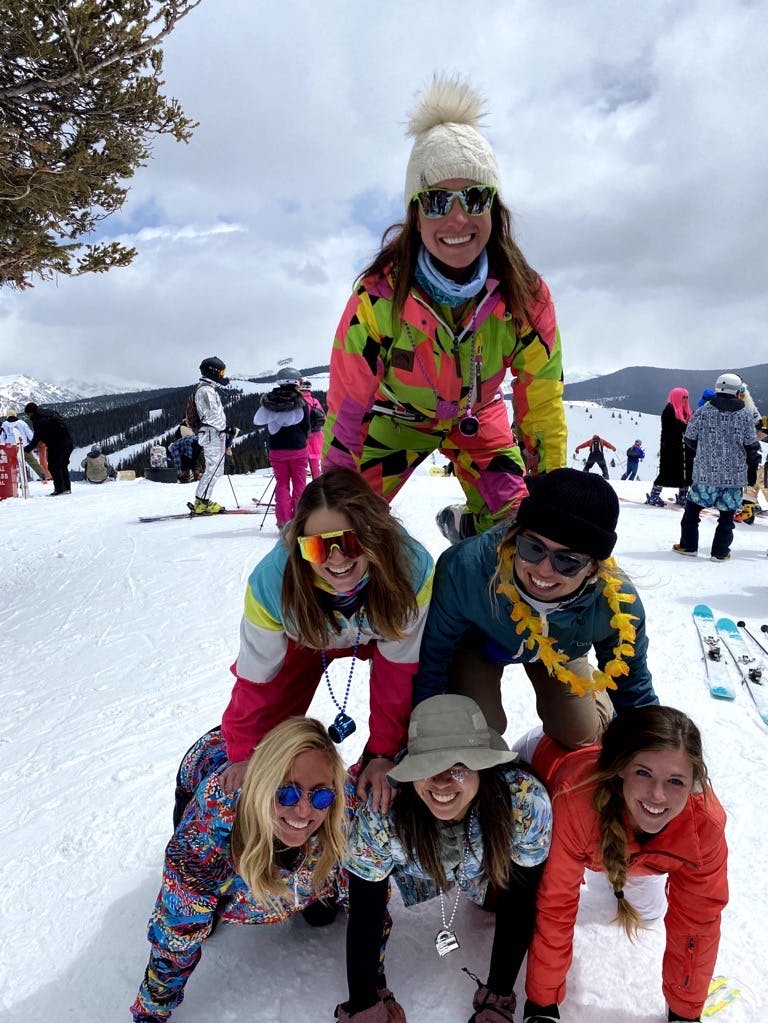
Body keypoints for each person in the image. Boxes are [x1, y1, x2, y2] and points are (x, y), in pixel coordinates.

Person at [322, 75, 567, 544]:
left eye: (474, 197)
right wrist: (330, 507)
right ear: (416, 214)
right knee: (347, 530)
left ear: (494, 208)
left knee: (523, 528)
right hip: (395, 422)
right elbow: (347, 411)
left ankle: (470, 526)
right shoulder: (377, 299)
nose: (457, 218)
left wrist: (551, 500)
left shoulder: (526, 298)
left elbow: (541, 405)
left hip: (478, 423)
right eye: (436, 201)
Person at [216, 467, 434, 811]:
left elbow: (398, 673)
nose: (337, 558)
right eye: (318, 548)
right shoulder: (272, 585)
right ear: (299, 546)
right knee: (275, 710)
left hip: (377, 628)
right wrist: (246, 754)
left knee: (416, 693)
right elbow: (258, 679)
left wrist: (383, 753)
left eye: (349, 541)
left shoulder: (410, 570)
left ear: (373, 532)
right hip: (307, 636)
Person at [338, 695, 552, 1023]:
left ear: (482, 766)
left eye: (458, 766)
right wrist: (364, 1000)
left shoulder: (525, 802)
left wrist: (498, 997)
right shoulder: (383, 810)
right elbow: (366, 909)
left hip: (484, 873)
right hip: (413, 864)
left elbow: (520, 901)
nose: (440, 781)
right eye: (427, 766)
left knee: (492, 903)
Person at [415, 468, 657, 749]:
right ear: (515, 537)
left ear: (593, 567)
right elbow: (432, 658)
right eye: (533, 548)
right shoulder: (466, 568)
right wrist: (420, 732)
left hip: (560, 650)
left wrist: (653, 745)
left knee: (580, 733)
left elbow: (632, 682)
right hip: (480, 644)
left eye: (567, 562)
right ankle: (469, 526)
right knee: (479, 731)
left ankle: (595, 699)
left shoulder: (618, 604)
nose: (544, 570)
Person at [130, 718, 351, 1022]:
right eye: (286, 793)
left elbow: (370, 900)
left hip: (283, 840)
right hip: (210, 761)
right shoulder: (205, 835)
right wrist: (151, 1013)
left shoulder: (344, 814)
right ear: (262, 785)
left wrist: (372, 991)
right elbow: (174, 938)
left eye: (321, 795)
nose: (303, 810)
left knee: (321, 914)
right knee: (200, 920)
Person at [521, 706, 728, 1023]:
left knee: (647, 912)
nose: (658, 795)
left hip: (624, 840)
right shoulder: (576, 801)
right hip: (544, 755)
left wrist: (685, 1014)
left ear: (693, 784)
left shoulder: (704, 823)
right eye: (643, 773)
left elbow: (699, 922)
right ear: (621, 768)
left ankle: (619, 861)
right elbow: (555, 904)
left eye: (675, 781)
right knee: (505, 895)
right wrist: (542, 1005)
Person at [673, 372, 759, 562]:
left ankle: (688, 546)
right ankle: (720, 552)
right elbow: (752, 445)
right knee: (726, 518)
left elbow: (689, 439)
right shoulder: (745, 414)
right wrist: (752, 468)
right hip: (734, 477)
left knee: (692, 511)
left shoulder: (704, 411)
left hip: (706, 475)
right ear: (737, 391)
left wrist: (700, 457)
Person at [254, 367, 310, 528]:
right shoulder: (300, 401)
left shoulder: (270, 401)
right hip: (298, 448)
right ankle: (299, 521)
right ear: (296, 382)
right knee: (300, 484)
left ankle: (283, 522)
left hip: (277, 449)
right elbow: (306, 426)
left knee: (282, 484)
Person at [191, 356, 231, 515]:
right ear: (213, 371)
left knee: (215, 469)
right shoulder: (205, 391)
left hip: (213, 433)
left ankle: (202, 500)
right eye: (221, 372)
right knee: (213, 469)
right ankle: (202, 502)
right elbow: (211, 415)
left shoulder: (208, 388)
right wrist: (226, 428)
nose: (222, 375)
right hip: (211, 433)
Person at [646, 387, 692, 507]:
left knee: (686, 472)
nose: (686, 399)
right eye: (683, 397)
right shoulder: (669, 411)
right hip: (671, 448)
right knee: (666, 472)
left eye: (687, 397)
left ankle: (682, 497)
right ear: (676, 398)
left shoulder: (684, 412)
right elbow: (674, 429)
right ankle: (654, 496)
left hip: (684, 448)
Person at [23, 401, 73, 495]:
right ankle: (67, 488)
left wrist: (27, 449)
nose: (28, 417)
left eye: (27, 414)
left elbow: (37, 438)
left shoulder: (38, 420)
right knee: (63, 465)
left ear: (30, 413)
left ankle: (59, 489)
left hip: (56, 445)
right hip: (68, 442)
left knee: (53, 466)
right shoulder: (49, 413)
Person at [0, 408, 48, 481]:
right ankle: (42, 475)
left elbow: (2, 437)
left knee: (11, 464)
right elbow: (29, 434)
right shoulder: (21, 423)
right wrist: (35, 443)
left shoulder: (4, 425)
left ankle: (12, 480)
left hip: (10, 448)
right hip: (23, 446)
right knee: (32, 461)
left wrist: (4, 447)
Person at [301, 379, 326, 478]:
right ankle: (317, 482)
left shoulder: (300, 402)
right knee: (315, 465)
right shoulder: (315, 401)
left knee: (301, 464)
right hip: (317, 435)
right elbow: (324, 417)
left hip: (304, 436)